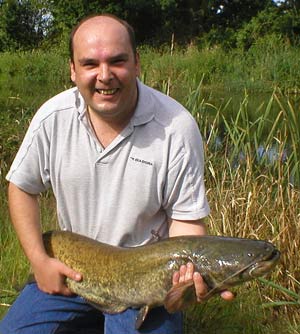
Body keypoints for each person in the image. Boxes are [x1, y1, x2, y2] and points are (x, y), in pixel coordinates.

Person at [0, 14, 233, 334]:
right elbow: (21, 186)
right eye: (90, 64)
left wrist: (185, 279)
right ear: (73, 70)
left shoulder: (176, 127)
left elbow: (186, 220)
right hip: (72, 271)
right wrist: (39, 260)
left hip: (148, 280)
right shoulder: (52, 118)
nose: (105, 75)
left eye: (117, 61)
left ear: (137, 62)